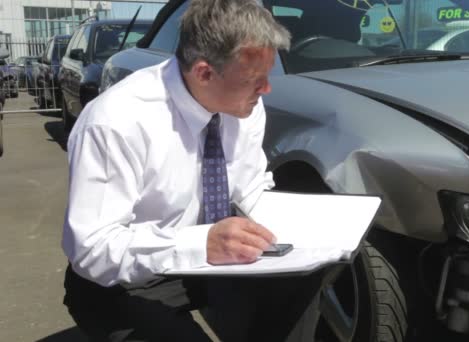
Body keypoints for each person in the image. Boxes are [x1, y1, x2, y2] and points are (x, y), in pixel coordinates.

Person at [62, 0, 324, 340]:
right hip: (124, 278)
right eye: (255, 80)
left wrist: (307, 230)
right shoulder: (116, 122)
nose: (266, 89)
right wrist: (201, 243)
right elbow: (93, 249)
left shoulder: (243, 106)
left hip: (208, 259)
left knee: (304, 277)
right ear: (204, 72)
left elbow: (251, 188)